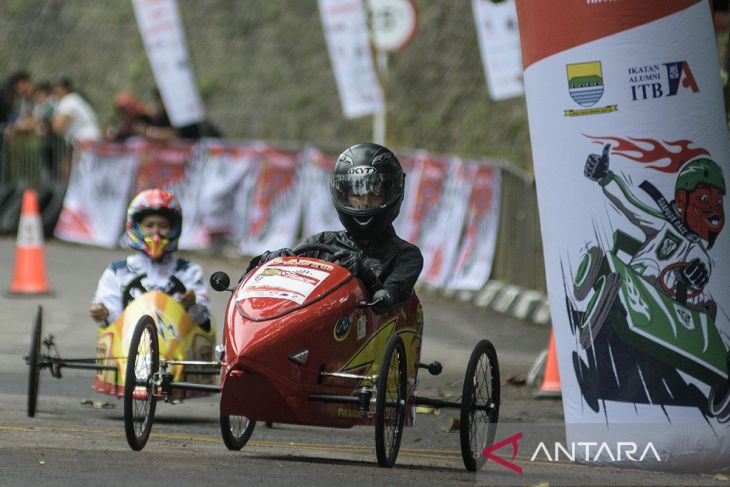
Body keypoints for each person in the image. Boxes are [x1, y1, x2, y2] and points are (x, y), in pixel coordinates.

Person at [245, 143, 424, 313]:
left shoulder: (406, 255)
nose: (364, 203)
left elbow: (385, 303)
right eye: (356, 195)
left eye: (374, 194)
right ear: (343, 196)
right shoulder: (321, 243)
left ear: (392, 194)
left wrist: (362, 275)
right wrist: (277, 261)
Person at [584, 144, 725, 310]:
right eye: (703, 199)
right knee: (649, 268)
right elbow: (630, 202)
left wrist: (696, 276)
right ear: (681, 199)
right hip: (632, 290)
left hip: (666, 311)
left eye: (719, 203)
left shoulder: (698, 252)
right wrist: (605, 178)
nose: (713, 210)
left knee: (696, 303)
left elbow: (702, 266)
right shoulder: (662, 222)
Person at [89, 189, 211, 330]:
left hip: (175, 345)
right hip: (129, 344)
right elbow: (111, 322)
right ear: (135, 227)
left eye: (163, 226)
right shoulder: (117, 271)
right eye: (149, 225)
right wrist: (102, 313)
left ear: (174, 229)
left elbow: (203, 322)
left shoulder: (189, 271)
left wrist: (192, 305)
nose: (156, 232)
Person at [50, 76, 101, 143]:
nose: (55, 89)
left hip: (85, 139)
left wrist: (48, 122)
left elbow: (58, 127)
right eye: (54, 87)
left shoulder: (68, 100)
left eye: (59, 87)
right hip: (88, 137)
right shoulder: (74, 99)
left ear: (66, 88)